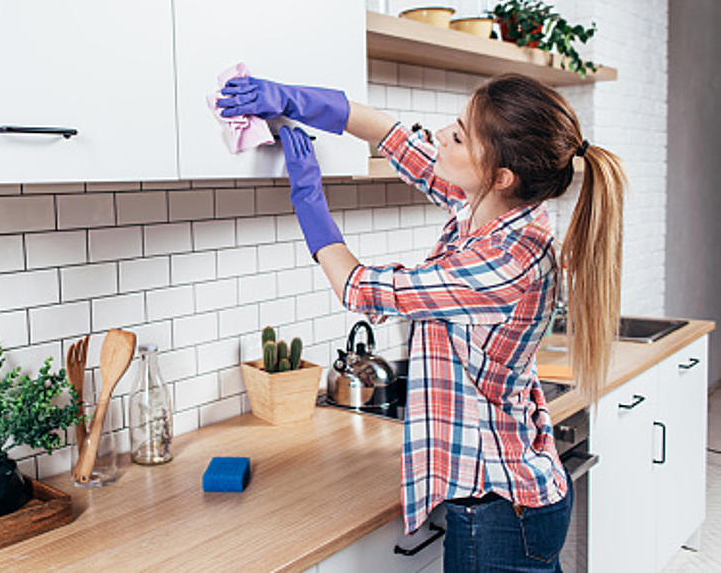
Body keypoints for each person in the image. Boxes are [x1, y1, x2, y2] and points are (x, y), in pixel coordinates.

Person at [217, 73, 627, 572]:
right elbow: (393, 136)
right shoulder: (486, 208)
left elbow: (360, 287)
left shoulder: (506, 258)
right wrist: (291, 98)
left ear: (501, 175)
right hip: (508, 497)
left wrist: (308, 197)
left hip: (499, 512)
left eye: (457, 136)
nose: (439, 136)